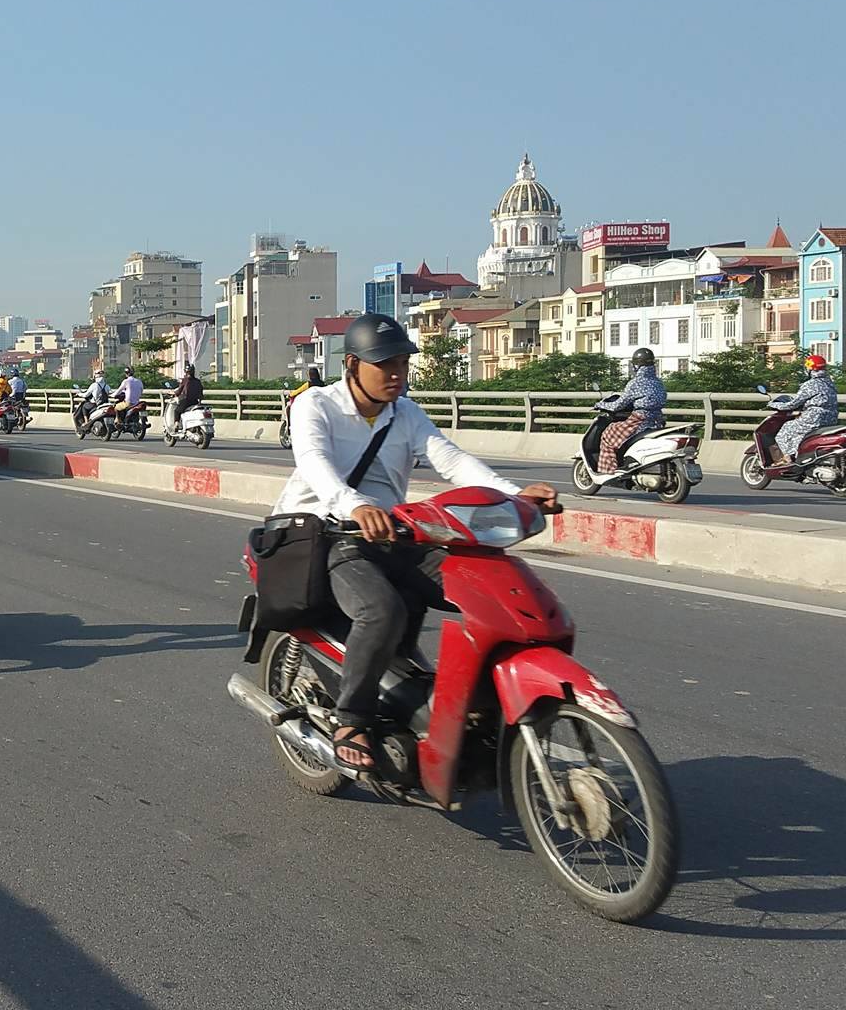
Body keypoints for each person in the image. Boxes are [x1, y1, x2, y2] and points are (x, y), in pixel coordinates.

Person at [272, 313, 560, 771]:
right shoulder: (317, 406)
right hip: (330, 533)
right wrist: (353, 505)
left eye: (402, 363)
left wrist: (512, 493)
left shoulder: (405, 412)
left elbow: (450, 459)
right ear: (351, 364)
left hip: (394, 534)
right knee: (383, 609)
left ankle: (465, 697)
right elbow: (313, 462)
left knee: (484, 588)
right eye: (385, 364)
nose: (396, 374)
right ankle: (351, 719)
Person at [598, 348, 666, 473]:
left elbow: (618, 405)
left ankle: (609, 471)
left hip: (639, 420)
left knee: (608, 435)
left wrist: (601, 404)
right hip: (658, 420)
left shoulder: (635, 383)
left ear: (636, 365)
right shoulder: (659, 382)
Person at [772, 354, 839, 464]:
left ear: (810, 369)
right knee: (799, 433)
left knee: (785, 429)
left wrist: (776, 405)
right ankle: (798, 454)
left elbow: (793, 404)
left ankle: (787, 458)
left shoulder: (810, 384)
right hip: (830, 419)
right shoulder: (830, 383)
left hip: (814, 419)